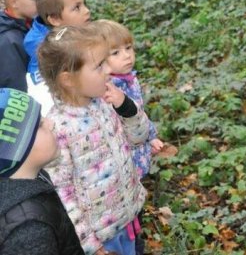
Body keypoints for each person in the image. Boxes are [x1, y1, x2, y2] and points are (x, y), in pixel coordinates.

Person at [37, 23, 150, 255]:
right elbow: (63, 195)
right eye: (99, 66)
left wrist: (126, 107)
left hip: (128, 215)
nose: (108, 70)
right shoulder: (58, 129)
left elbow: (139, 138)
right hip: (102, 238)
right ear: (68, 79)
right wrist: (91, 246)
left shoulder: (106, 100)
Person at [94, 19, 164, 255]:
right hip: (123, 163)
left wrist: (150, 136)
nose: (127, 56)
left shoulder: (129, 78)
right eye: (115, 52)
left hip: (137, 152)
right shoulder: (107, 88)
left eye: (129, 48)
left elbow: (138, 112)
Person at [0, 87, 84, 255]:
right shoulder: (28, 232)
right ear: (15, 150)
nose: (51, 123)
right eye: (39, 124)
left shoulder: (36, 176)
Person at [23, 0, 91, 116]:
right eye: (77, 7)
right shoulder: (45, 47)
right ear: (54, 20)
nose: (87, 11)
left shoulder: (75, 32)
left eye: (84, 4)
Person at [0, 0, 42, 92]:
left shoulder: (33, 23)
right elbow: (15, 89)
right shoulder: (7, 41)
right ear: (14, 2)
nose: (42, 3)